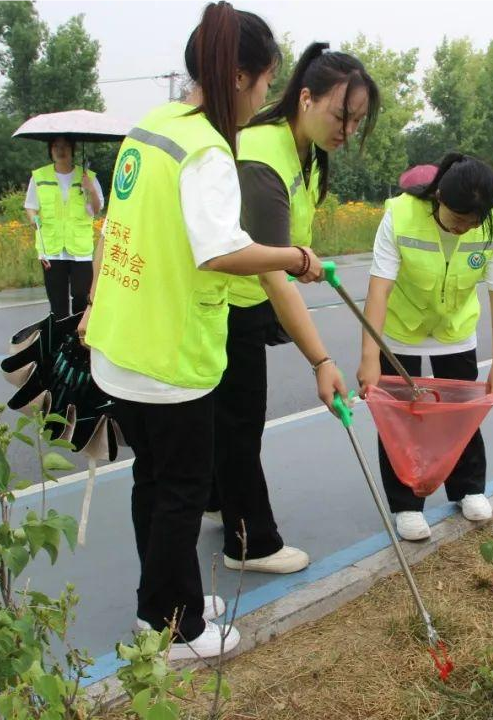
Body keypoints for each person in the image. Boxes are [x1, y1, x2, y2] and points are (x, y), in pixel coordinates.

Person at [80, 2, 326, 660]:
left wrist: (92, 301)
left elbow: (113, 229)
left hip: (121, 344)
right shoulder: (209, 152)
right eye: (267, 82)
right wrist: (293, 258)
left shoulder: (154, 126)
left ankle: (162, 599)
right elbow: (221, 254)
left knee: (153, 484)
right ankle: (176, 627)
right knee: (181, 493)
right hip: (168, 356)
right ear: (240, 76)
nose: (265, 96)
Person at [199, 41, 378, 573]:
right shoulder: (262, 157)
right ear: (305, 97)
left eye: (358, 121)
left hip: (248, 303)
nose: (347, 130)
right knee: (240, 422)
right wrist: (322, 361)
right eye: (341, 115)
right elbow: (271, 270)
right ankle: (249, 544)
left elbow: (286, 249)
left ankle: (217, 496)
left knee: (228, 417)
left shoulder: (307, 155)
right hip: (223, 306)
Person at [356, 153, 493, 542]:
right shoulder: (400, 215)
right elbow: (379, 288)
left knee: (460, 415)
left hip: (455, 330)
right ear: (439, 196)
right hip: (400, 330)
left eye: (472, 224)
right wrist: (369, 356)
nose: (463, 230)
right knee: (401, 418)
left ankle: (468, 488)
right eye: (457, 220)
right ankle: (406, 505)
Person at [24, 136, 103, 317]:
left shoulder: (87, 177)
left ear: (73, 150)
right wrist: (33, 220)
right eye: (56, 147)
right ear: (50, 150)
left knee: (82, 297)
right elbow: (31, 206)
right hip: (51, 248)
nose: (61, 150)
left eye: (66, 146)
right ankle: (60, 342)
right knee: (58, 302)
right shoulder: (39, 177)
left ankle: (78, 341)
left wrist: (90, 189)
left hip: (80, 250)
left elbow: (95, 209)